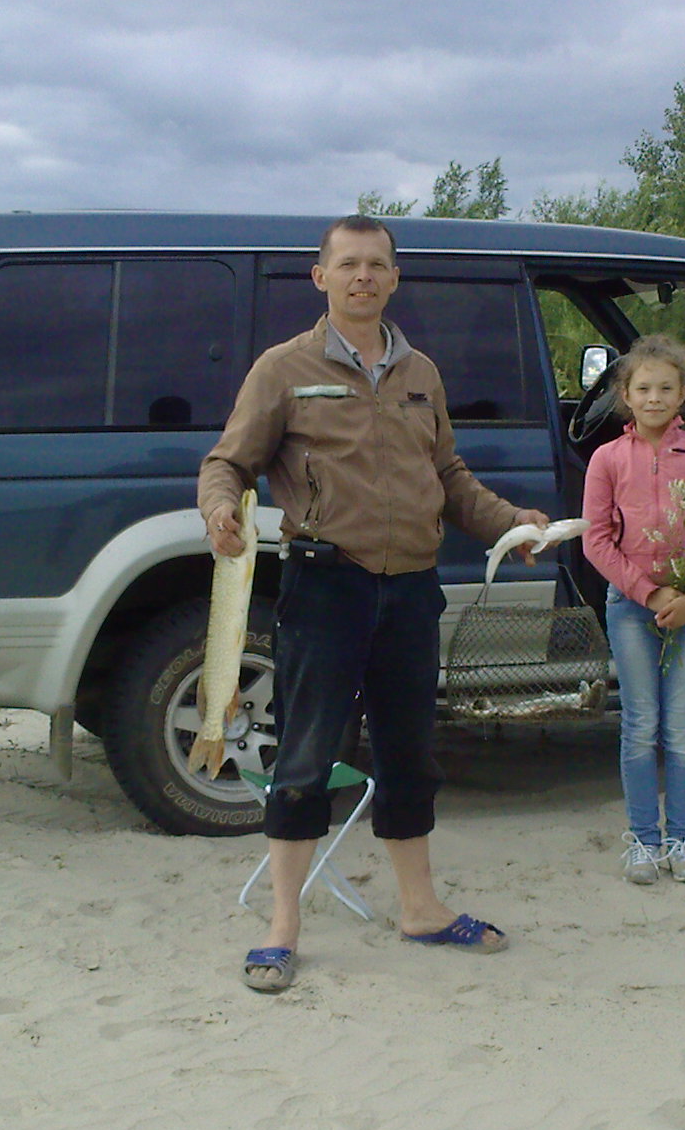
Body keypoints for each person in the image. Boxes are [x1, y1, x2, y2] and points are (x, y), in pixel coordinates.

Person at [199, 214, 549, 992]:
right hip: (326, 585)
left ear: (395, 277)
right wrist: (220, 511)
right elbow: (228, 463)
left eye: (376, 265)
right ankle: (282, 927)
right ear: (320, 277)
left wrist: (509, 524)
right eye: (349, 264)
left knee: (409, 753)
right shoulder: (282, 368)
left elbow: (449, 477)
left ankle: (419, 910)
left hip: (412, 589)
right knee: (304, 758)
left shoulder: (421, 371)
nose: (363, 276)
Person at [581, 334, 685, 885]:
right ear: (625, 394)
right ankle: (644, 841)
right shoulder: (607, 458)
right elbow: (596, 540)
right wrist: (647, 592)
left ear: (682, 394)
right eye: (643, 388)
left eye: (665, 388)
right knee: (641, 723)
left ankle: (684, 840)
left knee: (682, 726)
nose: (654, 398)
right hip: (630, 607)